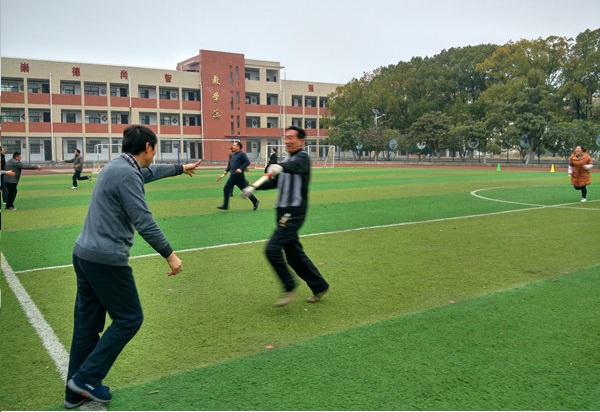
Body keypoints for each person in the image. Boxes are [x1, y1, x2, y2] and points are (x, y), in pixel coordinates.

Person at [64, 125, 202, 408]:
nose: (155, 154)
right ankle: (87, 378)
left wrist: (180, 168)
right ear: (148, 147)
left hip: (85, 254)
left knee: (87, 325)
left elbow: (149, 173)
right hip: (105, 259)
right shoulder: (127, 174)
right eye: (155, 148)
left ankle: (74, 391)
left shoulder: (118, 166)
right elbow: (144, 221)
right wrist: (169, 254)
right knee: (129, 318)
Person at [242, 126, 329, 307]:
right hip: (281, 212)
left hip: (294, 212)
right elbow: (275, 182)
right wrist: (253, 187)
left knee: (272, 249)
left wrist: (280, 167)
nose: (287, 141)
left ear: (301, 140)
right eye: (286, 137)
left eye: (291, 137)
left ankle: (289, 287)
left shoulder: (302, 158)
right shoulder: (286, 160)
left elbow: (295, 167)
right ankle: (319, 286)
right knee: (293, 254)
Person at [217, 141, 259, 211]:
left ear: (238, 147)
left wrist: (241, 168)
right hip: (233, 176)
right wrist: (226, 170)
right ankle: (225, 205)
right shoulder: (233, 155)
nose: (233, 146)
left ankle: (255, 201)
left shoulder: (242, 154)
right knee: (226, 189)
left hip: (239, 176)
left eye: (234, 145)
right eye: (233, 145)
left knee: (245, 191)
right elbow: (231, 165)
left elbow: (247, 162)